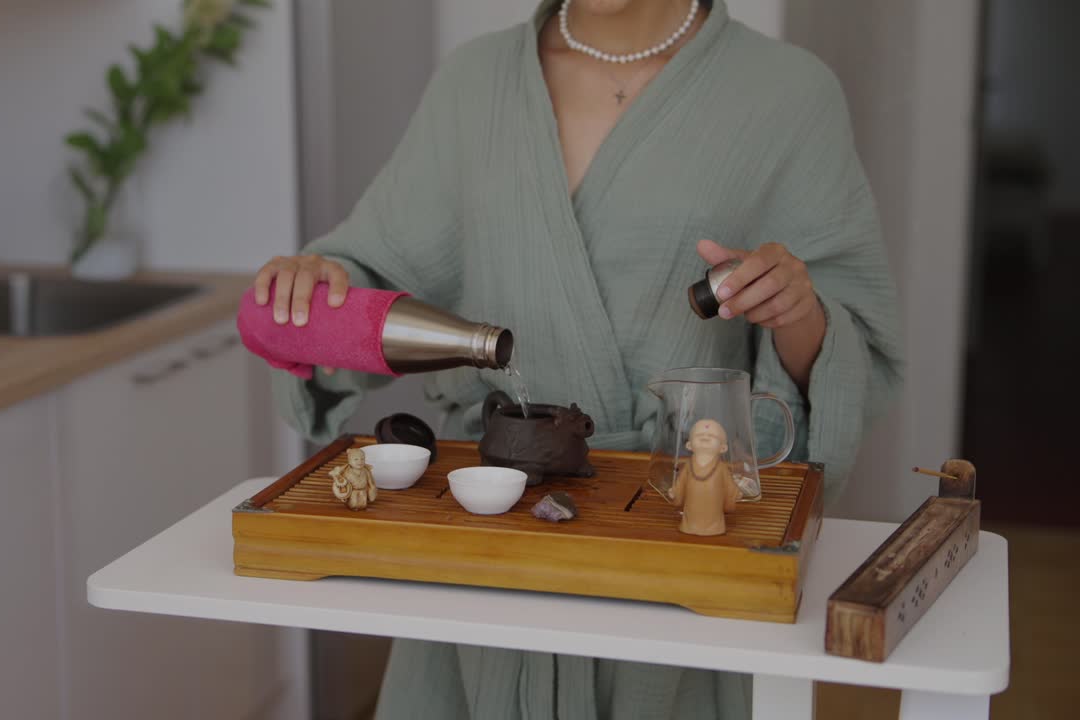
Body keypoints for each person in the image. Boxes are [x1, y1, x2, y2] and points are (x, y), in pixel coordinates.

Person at [252, 0, 903, 716]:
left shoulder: (789, 92)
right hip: (487, 538)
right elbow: (373, 273)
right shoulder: (474, 82)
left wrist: (796, 308)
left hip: (677, 543)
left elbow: (849, 353)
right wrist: (318, 285)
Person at [668, 419, 739, 536]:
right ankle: (689, 526)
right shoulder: (688, 466)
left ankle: (714, 528)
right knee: (691, 517)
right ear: (689, 445)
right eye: (699, 435)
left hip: (714, 510)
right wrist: (675, 492)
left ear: (723, 448)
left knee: (713, 518)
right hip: (692, 509)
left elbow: (729, 487)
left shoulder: (721, 468)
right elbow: (681, 483)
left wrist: (734, 494)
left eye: (712, 436)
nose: (705, 437)